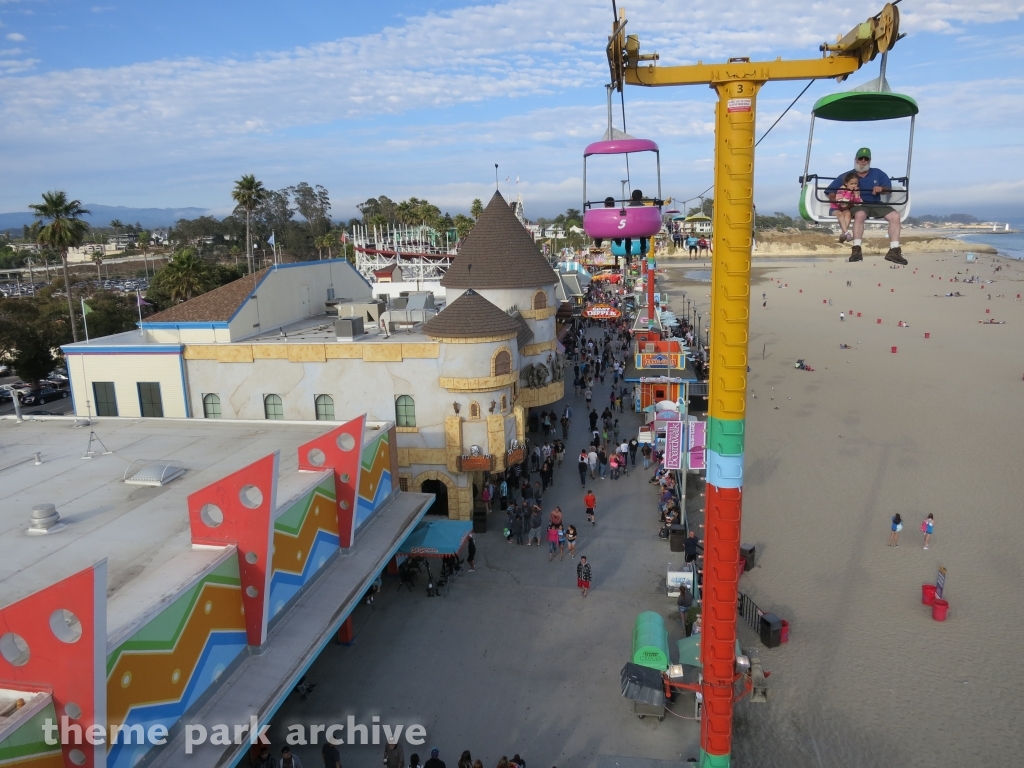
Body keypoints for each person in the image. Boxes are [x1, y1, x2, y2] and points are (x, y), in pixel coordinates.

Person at [827, 148, 906, 265]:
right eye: (860, 158)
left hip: (875, 203)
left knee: (895, 216)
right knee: (860, 215)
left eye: (866, 159)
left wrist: (881, 189)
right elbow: (830, 191)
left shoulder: (878, 173)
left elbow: (888, 189)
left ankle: (894, 250)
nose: (863, 161)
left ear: (869, 161)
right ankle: (856, 250)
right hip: (858, 204)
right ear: (856, 160)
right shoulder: (847, 176)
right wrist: (839, 201)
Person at [830, 171, 863, 243]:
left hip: (845, 209)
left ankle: (843, 234)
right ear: (846, 183)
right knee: (840, 214)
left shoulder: (856, 190)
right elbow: (843, 204)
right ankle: (847, 233)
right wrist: (848, 192)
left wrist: (856, 194)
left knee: (848, 213)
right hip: (835, 208)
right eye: (851, 184)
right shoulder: (841, 190)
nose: (854, 186)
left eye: (855, 184)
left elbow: (858, 204)